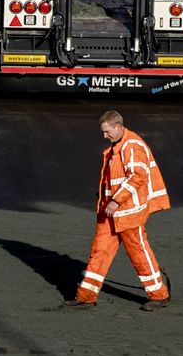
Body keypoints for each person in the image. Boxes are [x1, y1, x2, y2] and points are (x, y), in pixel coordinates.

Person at [64, 110, 172, 310]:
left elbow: (137, 177)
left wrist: (115, 200)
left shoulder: (132, 146)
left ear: (118, 126)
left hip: (128, 212)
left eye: (107, 132)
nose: (104, 136)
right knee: (99, 251)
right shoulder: (118, 146)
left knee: (138, 252)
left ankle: (159, 295)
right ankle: (86, 296)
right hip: (111, 212)